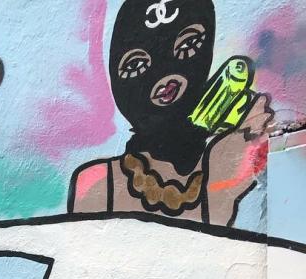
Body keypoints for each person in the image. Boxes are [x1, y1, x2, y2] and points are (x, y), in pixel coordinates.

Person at [68, 0, 273, 227]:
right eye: (136, 65)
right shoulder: (99, 185)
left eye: (188, 45)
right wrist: (220, 190)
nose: (165, 72)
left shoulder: (234, 159)